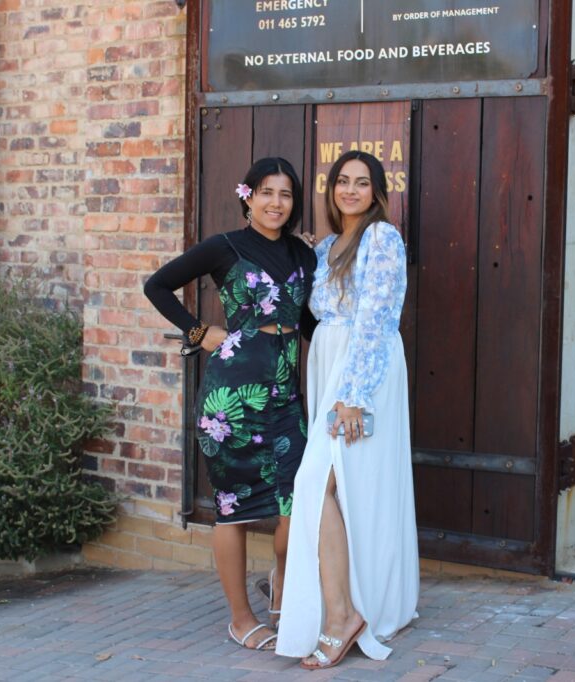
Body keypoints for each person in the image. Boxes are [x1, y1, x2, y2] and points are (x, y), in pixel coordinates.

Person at [143, 157, 316, 651]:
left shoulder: (304, 258)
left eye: (285, 195)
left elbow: (307, 324)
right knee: (233, 510)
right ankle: (242, 618)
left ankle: (281, 586)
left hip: (285, 393)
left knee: (295, 508)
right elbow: (157, 285)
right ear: (249, 197)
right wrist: (199, 332)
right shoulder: (225, 246)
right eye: (266, 192)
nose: (275, 203)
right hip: (232, 399)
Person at [276, 151, 419, 669]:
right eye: (343, 181)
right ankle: (349, 603)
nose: (351, 190)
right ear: (331, 189)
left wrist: (353, 395)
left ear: (377, 192)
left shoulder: (382, 238)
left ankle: (343, 615)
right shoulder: (329, 247)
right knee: (342, 485)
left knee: (320, 481)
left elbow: (378, 318)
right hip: (329, 366)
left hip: (363, 373)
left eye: (362, 183)